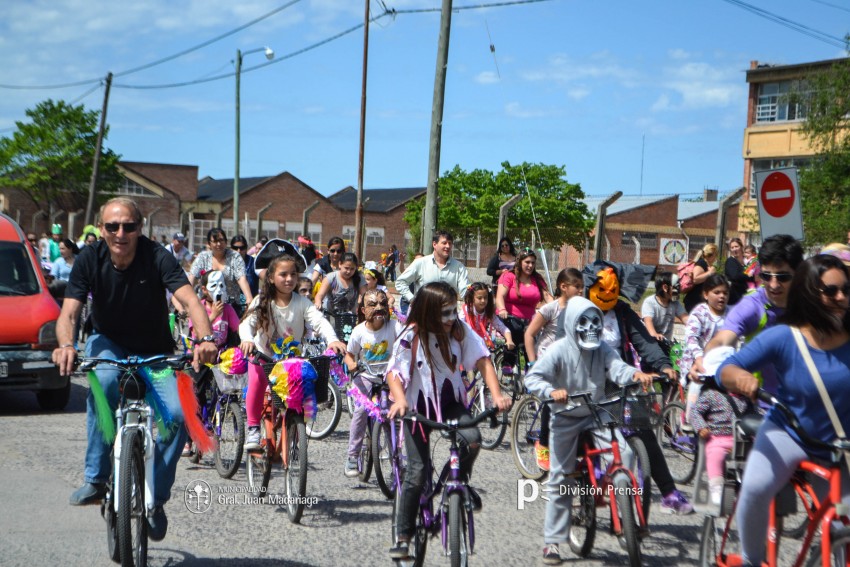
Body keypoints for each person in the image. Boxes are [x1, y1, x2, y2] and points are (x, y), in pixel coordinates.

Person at [51, 197, 217, 541]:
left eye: (129, 226)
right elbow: (68, 313)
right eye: (112, 226)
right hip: (107, 342)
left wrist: (205, 337)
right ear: (101, 228)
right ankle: (96, 478)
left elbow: (189, 299)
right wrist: (66, 346)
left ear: (140, 229)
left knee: (176, 415)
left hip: (154, 350)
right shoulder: (88, 259)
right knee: (105, 383)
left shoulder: (157, 256)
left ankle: (155, 498)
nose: (121, 233)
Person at [719, 254, 850, 566]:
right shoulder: (784, 336)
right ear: (808, 293)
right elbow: (726, 369)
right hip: (788, 433)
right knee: (754, 489)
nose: (842, 297)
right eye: (831, 291)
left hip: (840, 445)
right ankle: (753, 560)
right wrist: (742, 378)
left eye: (846, 289)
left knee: (842, 522)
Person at [524, 296, 654, 564]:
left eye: (595, 321)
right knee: (561, 477)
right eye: (584, 321)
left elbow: (616, 368)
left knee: (626, 455)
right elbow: (532, 378)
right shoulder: (558, 350)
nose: (591, 327)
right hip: (566, 416)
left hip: (597, 412)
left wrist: (634, 375)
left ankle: (624, 520)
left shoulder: (602, 348)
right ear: (572, 323)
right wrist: (551, 391)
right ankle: (552, 542)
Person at [386, 282, 511, 560]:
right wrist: (400, 400)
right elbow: (394, 373)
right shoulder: (411, 335)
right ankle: (404, 535)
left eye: (453, 311)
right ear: (429, 312)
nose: (451, 318)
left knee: (474, 441)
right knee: (417, 471)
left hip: (451, 404)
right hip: (417, 409)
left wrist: (497, 395)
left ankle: (460, 482)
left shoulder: (459, 331)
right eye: (444, 313)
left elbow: (483, 360)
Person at [578, 262, 693, 515]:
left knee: (643, 432)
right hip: (586, 382)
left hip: (622, 379)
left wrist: (663, 365)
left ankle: (669, 493)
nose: (608, 293)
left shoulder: (622, 311)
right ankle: (581, 494)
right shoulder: (579, 310)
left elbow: (644, 340)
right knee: (581, 437)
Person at [239, 253, 346, 450]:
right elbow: (247, 324)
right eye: (283, 274)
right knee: (256, 382)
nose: (289, 279)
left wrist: (332, 340)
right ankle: (253, 427)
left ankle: (295, 429)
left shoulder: (302, 302)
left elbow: (319, 322)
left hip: (291, 361)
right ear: (271, 278)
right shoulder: (262, 300)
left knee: (300, 393)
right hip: (264, 356)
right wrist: (246, 339)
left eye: (293, 274)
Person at [694, 234, 805, 391]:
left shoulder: (810, 303)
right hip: (765, 405)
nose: (773, 285)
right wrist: (706, 360)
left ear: (798, 273)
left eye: (783, 277)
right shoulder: (752, 305)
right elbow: (721, 340)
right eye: (766, 276)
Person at [523, 267, 584, 471]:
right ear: (563, 287)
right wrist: (533, 363)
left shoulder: (583, 309)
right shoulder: (550, 309)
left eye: (583, 287)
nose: (581, 291)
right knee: (552, 401)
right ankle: (544, 444)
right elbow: (530, 334)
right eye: (577, 287)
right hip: (548, 360)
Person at [343, 288, 402, 476]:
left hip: (389, 376)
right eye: (372, 304)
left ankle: (398, 457)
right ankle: (353, 455)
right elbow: (349, 355)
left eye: (382, 303)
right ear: (362, 310)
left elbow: (405, 345)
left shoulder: (394, 327)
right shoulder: (359, 331)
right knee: (360, 411)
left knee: (396, 413)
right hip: (365, 375)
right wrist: (353, 366)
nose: (378, 307)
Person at [689, 381, 752, 506]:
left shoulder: (747, 400)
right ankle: (716, 486)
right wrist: (701, 427)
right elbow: (695, 412)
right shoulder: (712, 395)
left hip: (742, 440)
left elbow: (758, 414)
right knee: (715, 454)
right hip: (718, 438)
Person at [495, 248, 553, 374]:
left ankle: (531, 371)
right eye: (527, 262)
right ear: (520, 262)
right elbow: (500, 296)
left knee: (532, 339)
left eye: (533, 262)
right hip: (509, 316)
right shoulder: (509, 276)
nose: (530, 265)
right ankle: (507, 362)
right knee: (515, 330)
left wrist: (559, 308)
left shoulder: (537, 278)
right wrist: (502, 309)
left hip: (529, 318)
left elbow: (548, 297)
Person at [680, 274, 729, 418]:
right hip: (697, 363)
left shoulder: (731, 314)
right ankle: (690, 420)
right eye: (717, 292)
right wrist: (698, 357)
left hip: (721, 364)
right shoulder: (699, 313)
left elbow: (739, 336)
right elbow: (691, 338)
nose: (722, 297)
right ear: (706, 294)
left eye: (725, 293)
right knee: (697, 384)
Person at [189, 228, 253, 318]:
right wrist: (188, 300)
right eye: (215, 241)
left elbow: (241, 278)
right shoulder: (202, 257)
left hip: (230, 306)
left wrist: (249, 298)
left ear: (226, 242)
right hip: (206, 306)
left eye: (221, 240)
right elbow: (191, 278)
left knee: (235, 330)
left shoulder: (235, 257)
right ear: (209, 244)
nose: (218, 244)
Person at [395, 231, 470, 305]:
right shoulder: (420, 263)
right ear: (434, 244)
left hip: (448, 314)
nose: (448, 246)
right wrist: (412, 299)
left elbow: (465, 291)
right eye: (444, 243)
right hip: (423, 313)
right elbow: (400, 282)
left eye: (450, 243)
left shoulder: (459, 267)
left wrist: (474, 298)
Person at [461, 282, 514, 351]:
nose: (483, 301)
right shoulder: (466, 311)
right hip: (466, 346)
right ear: (472, 298)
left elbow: (502, 327)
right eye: (479, 298)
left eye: (485, 297)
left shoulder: (488, 313)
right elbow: (458, 326)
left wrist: (509, 340)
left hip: (481, 346)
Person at [313, 252, 366, 318]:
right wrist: (318, 302)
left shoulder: (359, 278)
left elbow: (365, 296)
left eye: (352, 269)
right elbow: (319, 295)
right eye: (346, 268)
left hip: (350, 316)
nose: (348, 271)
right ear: (340, 264)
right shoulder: (331, 277)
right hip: (330, 315)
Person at [641, 271, 688, 342]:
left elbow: (686, 319)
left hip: (666, 343)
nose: (679, 291)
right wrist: (655, 334)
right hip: (650, 342)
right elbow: (648, 321)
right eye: (676, 287)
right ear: (665, 287)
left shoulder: (675, 303)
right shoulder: (650, 302)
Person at [683, 244, 718, 312]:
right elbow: (696, 279)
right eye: (715, 255)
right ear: (711, 255)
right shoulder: (701, 263)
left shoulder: (707, 265)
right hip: (694, 301)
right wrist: (710, 273)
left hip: (700, 301)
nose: (716, 258)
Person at [724, 238, 752, 305]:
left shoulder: (747, 262)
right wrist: (750, 276)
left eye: (736, 246)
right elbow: (735, 276)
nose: (734, 249)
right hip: (735, 299)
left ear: (741, 247)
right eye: (732, 247)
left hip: (747, 297)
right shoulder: (730, 261)